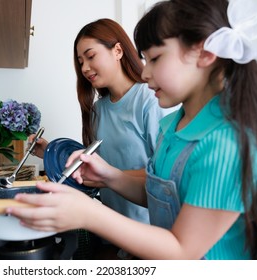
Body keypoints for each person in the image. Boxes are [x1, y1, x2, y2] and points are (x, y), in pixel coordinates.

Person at [8, 0, 257, 259]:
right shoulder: (173, 125)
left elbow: (183, 251)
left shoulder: (227, 143)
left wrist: (87, 212)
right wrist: (109, 176)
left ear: (204, 53)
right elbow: (160, 192)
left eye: (155, 58)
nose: (145, 73)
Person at [28, 18, 171, 256]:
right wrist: (50, 152)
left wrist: (106, 176)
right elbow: (98, 166)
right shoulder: (98, 110)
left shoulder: (150, 100)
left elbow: (163, 177)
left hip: (147, 235)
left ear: (117, 50)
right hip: (110, 234)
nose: (84, 68)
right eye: (80, 61)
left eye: (90, 56)